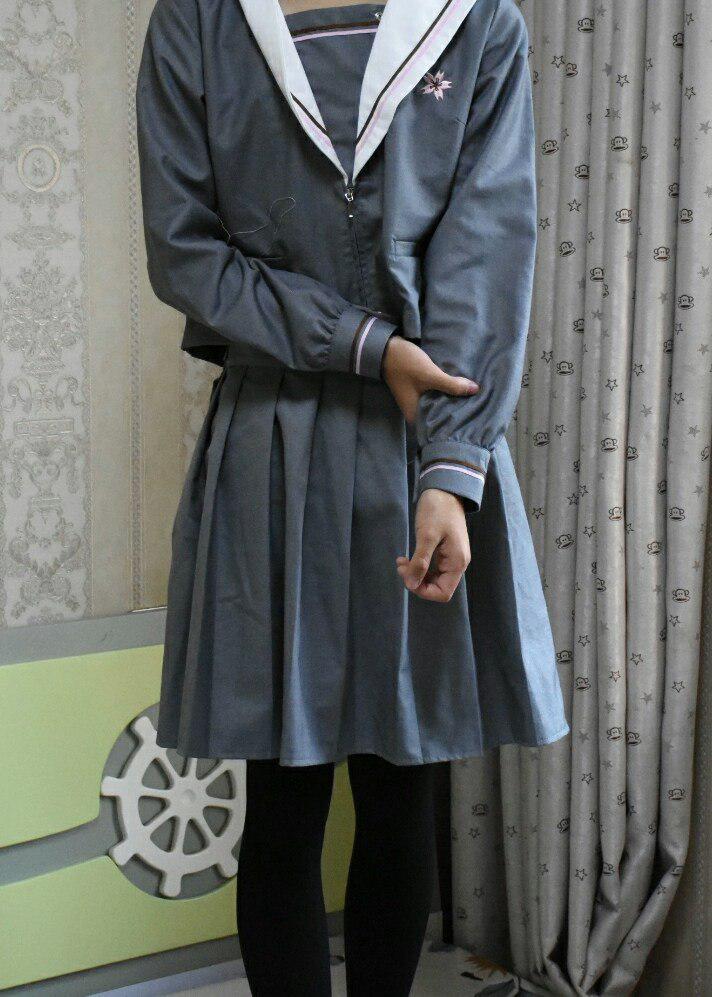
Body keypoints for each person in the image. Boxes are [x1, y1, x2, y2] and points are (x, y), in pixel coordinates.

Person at [135, 0, 570, 992]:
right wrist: (365, 345)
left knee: (402, 782)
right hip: (273, 436)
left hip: (423, 438)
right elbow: (185, 249)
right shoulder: (197, 22)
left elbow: (488, 244)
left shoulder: (477, 21)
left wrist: (452, 466)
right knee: (282, 798)